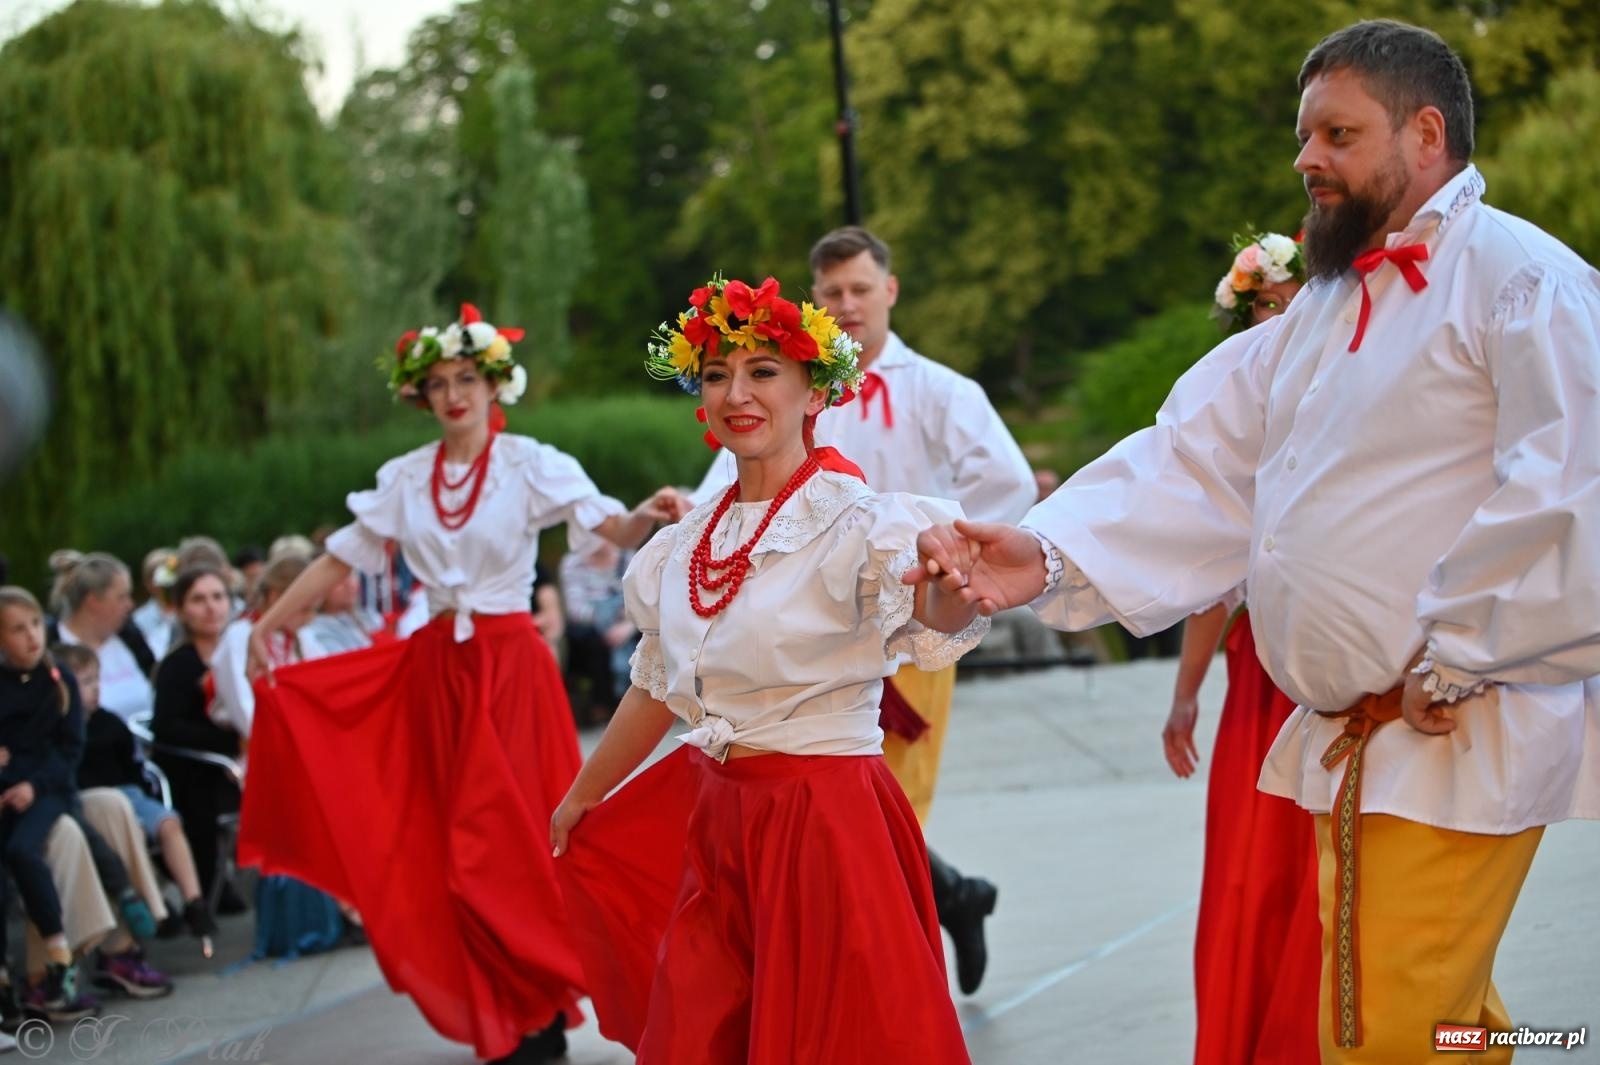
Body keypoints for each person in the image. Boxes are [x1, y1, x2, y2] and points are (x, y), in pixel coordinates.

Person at [909, 20, 1600, 1063]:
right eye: (1302, 135)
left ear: (1425, 133)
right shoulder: (1327, 303)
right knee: (1424, 1020)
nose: (1305, 160)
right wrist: (1046, 552)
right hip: (1361, 739)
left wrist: (1458, 660)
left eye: (1336, 134)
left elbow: (1571, 486)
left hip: (1452, 732)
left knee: (1389, 1031)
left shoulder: (1519, 279)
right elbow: (1199, 459)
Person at [235, 303, 688, 1065]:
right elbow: (339, 557)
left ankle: (546, 997)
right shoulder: (407, 479)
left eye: (467, 377)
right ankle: (511, 1011)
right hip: (436, 669)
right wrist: (267, 621)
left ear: (493, 383)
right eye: (439, 382)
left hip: (510, 666)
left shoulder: (529, 462)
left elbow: (607, 526)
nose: (454, 393)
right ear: (422, 395)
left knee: (514, 840)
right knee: (448, 848)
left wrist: (645, 511)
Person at [551, 274, 985, 1064]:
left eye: (761, 371)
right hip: (718, 822)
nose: (735, 393)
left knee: (839, 1039)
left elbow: (938, 613)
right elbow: (657, 682)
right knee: (696, 1036)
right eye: (717, 374)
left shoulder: (863, 524)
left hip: (825, 823)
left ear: (814, 391)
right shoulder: (684, 546)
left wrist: (953, 590)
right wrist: (585, 792)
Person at [683, 227, 1034, 994]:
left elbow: (1008, 483)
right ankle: (934, 916)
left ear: (890, 292)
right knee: (856, 825)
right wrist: (686, 517)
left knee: (886, 813)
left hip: (906, 628)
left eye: (860, 290)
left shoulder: (939, 391)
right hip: (810, 642)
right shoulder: (796, 388)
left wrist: (950, 556)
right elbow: (731, 483)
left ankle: (890, 970)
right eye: (833, 293)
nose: (847, 305)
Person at [1161, 232, 1317, 1065]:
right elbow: (1208, 575)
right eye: (1258, 304)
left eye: (1283, 298)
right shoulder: (1235, 423)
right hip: (1257, 671)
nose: (1273, 315)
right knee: (1249, 871)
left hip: (1330, 661)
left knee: (1319, 868)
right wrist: (1186, 694)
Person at [63, 638, 217, 945]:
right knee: (124, 823)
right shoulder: (63, 731)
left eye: (96, 680)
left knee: (168, 822)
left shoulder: (110, 722)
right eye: (85, 682)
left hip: (128, 793)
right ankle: (156, 905)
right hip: (96, 801)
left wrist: (147, 793)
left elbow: (132, 765)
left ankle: (194, 901)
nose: (95, 689)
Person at [0, 586, 108, 1020]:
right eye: (16, 629)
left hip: (45, 790)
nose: (31, 637)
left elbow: (67, 752)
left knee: (24, 850)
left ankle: (59, 956)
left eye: (34, 625)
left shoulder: (57, 680)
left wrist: (33, 785)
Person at [47, 552, 155, 724]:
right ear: (93, 601)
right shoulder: (50, 646)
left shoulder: (131, 638)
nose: (130, 604)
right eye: (122, 597)